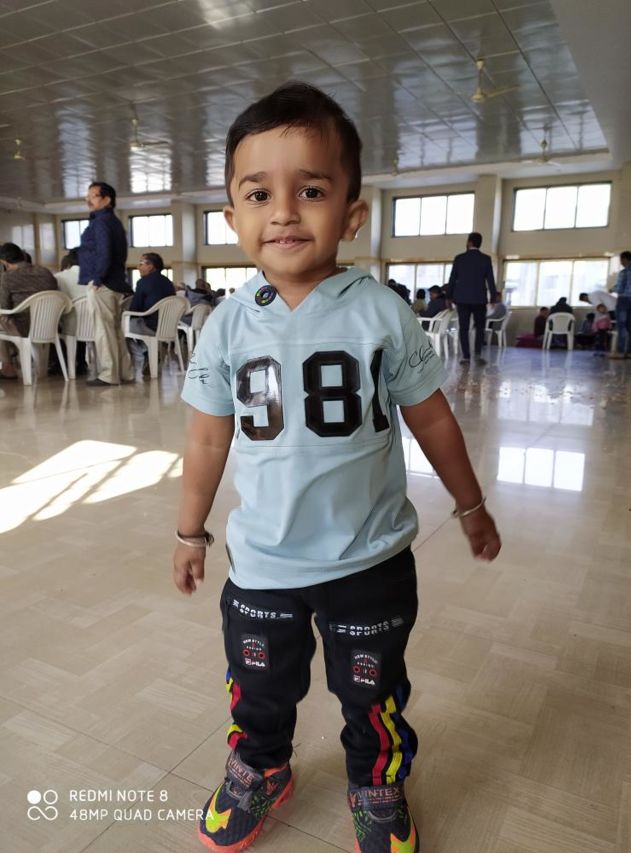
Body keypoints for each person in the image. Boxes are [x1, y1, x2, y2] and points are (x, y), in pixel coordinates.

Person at [173, 81, 501, 853]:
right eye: (260, 193)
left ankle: (377, 780)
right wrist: (190, 531)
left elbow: (431, 418)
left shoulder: (380, 312)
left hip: (369, 560)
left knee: (372, 688)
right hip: (262, 562)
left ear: (352, 213)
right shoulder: (225, 325)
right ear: (232, 216)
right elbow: (208, 440)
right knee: (259, 686)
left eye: (311, 190)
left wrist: (470, 503)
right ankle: (260, 765)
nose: (284, 211)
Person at [78, 181, 133, 387]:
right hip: (115, 282)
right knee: (115, 331)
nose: (88, 200)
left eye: (93, 196)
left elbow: (104, 252)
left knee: (103, 330)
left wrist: (97, 279)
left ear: (107, 200)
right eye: (88, 196)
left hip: (103, 283)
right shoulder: (114, 222)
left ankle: (109, 374)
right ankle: (124, 373)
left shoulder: (100, 222)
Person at [0, 242, 58, 379]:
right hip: (50, 325)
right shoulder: (45, 272)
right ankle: (17, 352)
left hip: (23, 328)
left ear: (4, 262)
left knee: (2, 320)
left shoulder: (7, 277)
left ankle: (8, 367)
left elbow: (4, 307)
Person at [447, 232, 497, 365]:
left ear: (469, 242)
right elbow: (490, 280)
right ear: (480, 243)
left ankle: (466, 356)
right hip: (479, 299)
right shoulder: (485, 259)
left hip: (462, 299)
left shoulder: (459, 258)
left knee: (463, 327)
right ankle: (478, 354)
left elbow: (452, 279)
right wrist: (493, 298)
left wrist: (449, 297)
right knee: (480, 327)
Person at [610, 251, 631, 359]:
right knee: (630, 326)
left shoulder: (624, 272)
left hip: (623, 300)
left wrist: (611, 289)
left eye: (621, 260)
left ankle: (620, 352)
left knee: (621, 326)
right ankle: (630, 352)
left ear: (625, 259)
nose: (621, 262)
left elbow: (620, 288)